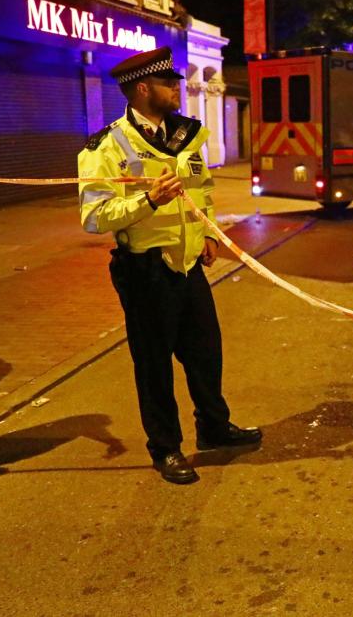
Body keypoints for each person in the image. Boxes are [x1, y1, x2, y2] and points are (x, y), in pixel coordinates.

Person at [77, 47, 261, 485]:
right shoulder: (105, 147)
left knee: (205, 354)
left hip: (188, 264)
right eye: (168, 83)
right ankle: (166, 449)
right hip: (145, 271)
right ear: (143, 89)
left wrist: (210, 235)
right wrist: (148, 200)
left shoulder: (190, 134)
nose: (177, 88)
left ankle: (214, 428)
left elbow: (204, 190)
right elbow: (93, 218)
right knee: (154, 364)